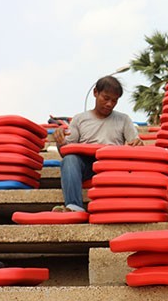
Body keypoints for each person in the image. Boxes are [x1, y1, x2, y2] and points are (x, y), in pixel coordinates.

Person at [53, 75, 143, 212]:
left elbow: (135, 145)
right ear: (96, 92)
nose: (109, 104)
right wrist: (60, 142)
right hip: (87, 164)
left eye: (114, 101)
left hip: (113, 165)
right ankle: (74, 207)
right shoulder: (80, 119)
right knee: (69, 160)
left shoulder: (124, 119)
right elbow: (66, 150)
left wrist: (138, 144)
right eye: (106, 98)